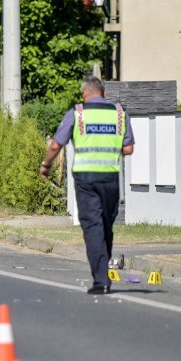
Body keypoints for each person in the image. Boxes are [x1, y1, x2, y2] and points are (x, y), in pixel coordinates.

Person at [40, 76, 134, 295]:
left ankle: (101, 280)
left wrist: (46, 165)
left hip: (86, 179)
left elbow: (56, 145)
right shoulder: (119, 113)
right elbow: (128, 149)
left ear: (85, 93)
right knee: (106, 226)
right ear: (103, 93)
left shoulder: (78, 113)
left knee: (93, 227)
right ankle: (103, 272)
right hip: (110, 178)